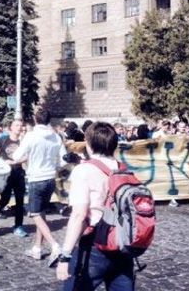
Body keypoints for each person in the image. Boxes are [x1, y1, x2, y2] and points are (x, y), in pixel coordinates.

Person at [56, 121, 135, 290]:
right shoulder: (124, 169)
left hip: (95, 245)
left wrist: (65, 256)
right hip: (122, 242)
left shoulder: (83, 171)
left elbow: (79, 215)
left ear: (89, 144)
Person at [12, 108, 64, 264]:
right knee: (41, 214)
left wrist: (29, 155)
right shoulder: (56, 136)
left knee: (35, 214)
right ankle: (37, 249)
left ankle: (55, 246)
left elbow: (16, 156)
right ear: (49, 120)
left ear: (35, 120)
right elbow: (63, 160)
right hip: (50, 179)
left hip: (36, 179)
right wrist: (54, 166)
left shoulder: (31, 136)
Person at [0, 119, 28, 237]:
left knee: (20, 202)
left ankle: (18, 226)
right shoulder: (3, 140)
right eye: (16, 125)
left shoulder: (24, 141)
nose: (19, 127)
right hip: (6, 175)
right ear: (11, 128)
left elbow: (27, 156)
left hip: (19, 173)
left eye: (21, 125)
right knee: (5, 199)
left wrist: (16, 161)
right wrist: (4, 162)